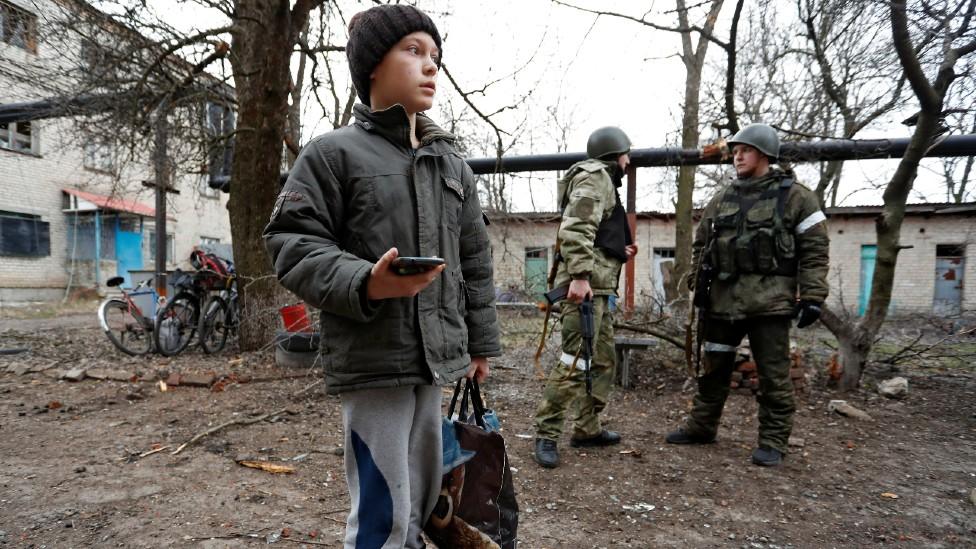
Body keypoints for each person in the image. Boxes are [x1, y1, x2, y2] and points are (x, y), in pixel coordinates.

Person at [263, 5, 500, 547]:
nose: (430, 67)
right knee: (382, 513)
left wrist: (480, 344)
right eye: (413, 51)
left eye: (435, 56)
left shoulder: (451, 165)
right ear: (372, 65)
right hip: (373, 359)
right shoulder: (332, 155)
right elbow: (291, 242)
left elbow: (475, 261)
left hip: (433, 360)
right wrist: (365, 281)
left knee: (424, 502)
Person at [665, 123, 829, 467]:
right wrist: (698, 282)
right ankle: (702, 427)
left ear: (765, 154)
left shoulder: (796, 196)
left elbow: (815, 250)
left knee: (773, 375)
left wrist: (812, 295)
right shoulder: (723, 197)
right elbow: (701, 244)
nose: (738, 156)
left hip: (769, 303)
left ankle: (772, 440)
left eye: (746, 150)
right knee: (712, 370)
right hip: (722, 302)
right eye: (736, 151)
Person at [533, 126, 638, 469]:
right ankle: (546, 433)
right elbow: (576, 228)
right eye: (627, 154)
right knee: (575, 360)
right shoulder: (594, 177)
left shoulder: (605, 181)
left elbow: (595, 232)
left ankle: (587, 428)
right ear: (615, 154)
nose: (629, 161)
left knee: (604, 360)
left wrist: (617, 250)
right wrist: (579, 276)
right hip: (585, 289)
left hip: (599, 287)